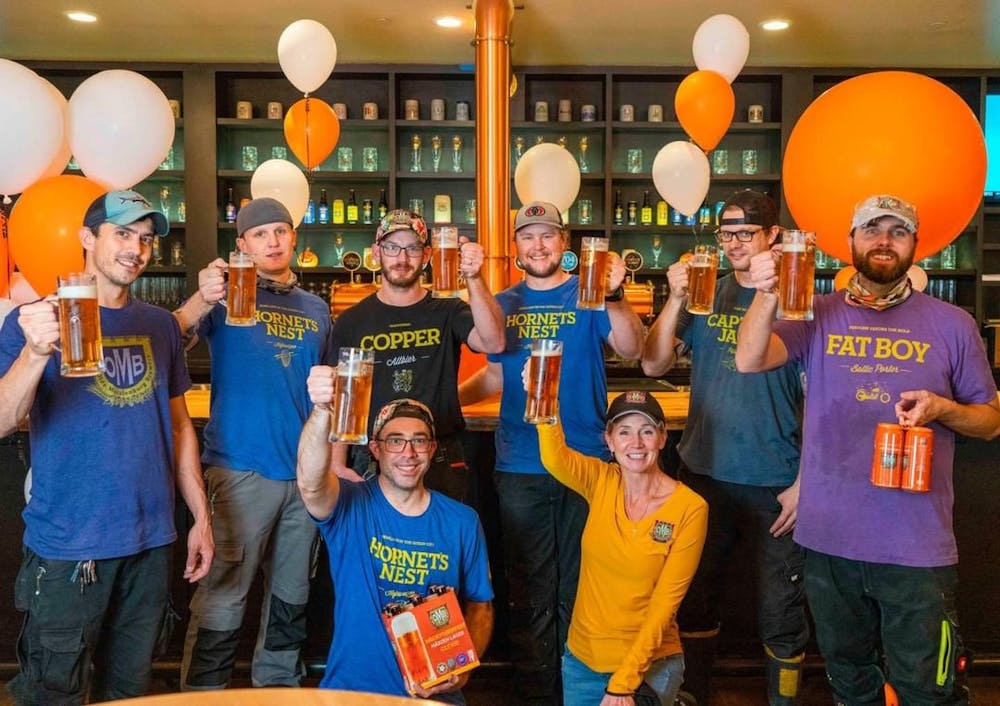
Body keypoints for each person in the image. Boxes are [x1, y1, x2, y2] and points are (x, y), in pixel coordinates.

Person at [736, 194, 1000, 705]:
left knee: (929, 689)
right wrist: (767, 292)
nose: (883, 241)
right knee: (850, 681)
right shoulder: (815, 312)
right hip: (829, 539)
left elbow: (989, 423)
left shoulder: (953, 324)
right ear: (850, 242)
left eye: (896, 232)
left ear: (914, 246)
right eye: (872, 230)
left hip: (916, 545)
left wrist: (942, 409)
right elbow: (749, 359)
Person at [0, 189, 214, 705]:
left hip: (149, 544)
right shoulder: (34, 320)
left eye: (145, 239)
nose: (136, 249)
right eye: (122, 233)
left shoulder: (160, 325)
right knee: (53, 694)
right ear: (85, 238)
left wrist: (200, 519)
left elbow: (181, 429)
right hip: (69, 549)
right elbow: (4, 420)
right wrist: (34, 353)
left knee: (131, 693)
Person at [459, 200, 645, 704]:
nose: (537, 245)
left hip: (587, 461)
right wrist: (445, 403)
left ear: (563, 242)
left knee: (584, 583)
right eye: (527, 237)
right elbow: (496, 375)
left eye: (547, 236)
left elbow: (632, 349)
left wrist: (616, 295)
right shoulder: (503, 302)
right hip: (521, 462)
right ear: (515, 247)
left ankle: (580, 689)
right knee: (530, 585)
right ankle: (539, 692)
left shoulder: (589, 295)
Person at [641, 190, 808, 706]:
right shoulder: (704, 290)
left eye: (745, 231)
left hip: (778, 483)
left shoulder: (800, 295)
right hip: (703, 475)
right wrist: (671, 297)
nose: (734, 242)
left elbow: (829, 397)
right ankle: (692, 697)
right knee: (692, 602)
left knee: (781, 612)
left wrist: (807, 482)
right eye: (725, 232)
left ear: (773, 236)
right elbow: (652, 365)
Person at [174, 197, 332, 690]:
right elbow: (170, 340)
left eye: (280, 231)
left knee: (292, 597)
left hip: (304, 479)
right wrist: (203, 297)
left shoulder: (318, 309)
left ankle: (279, 690)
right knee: (223, 597)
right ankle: (202, 697)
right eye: (260, 234)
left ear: (293, 239)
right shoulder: (223, 299)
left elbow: (329, 392)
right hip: (240, 469)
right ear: (241, 245)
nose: (273, 241)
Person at [296, 388, 494, 703]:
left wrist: (465, 667)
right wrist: (322, 409)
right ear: (375, 448)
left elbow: (481, 606)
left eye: (419, 440)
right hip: (352, 695)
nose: (408, 452)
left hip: (434, 697)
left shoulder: (463, 521)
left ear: (432, 448)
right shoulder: (349, 505)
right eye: (395, 440)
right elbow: (309, 483)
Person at [535, 389, 708, 706]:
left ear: (662, 438)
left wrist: (624, 683)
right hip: (581, 661)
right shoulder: (601, 480)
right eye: (624, 432)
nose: (636, 443)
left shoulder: (690, 508)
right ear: (609, 441)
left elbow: (664, 606)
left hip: (649, 666)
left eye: (646, 431)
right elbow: (554, 457)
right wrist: (544, 395)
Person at [327, 208, 505, 502]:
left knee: (445, 543)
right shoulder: (352, 321)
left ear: (427, 255)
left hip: (441, 453)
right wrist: (335, 462)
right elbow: (340, 399)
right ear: (376, 252)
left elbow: (495, 342)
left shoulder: (448, 309)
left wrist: (473, 277)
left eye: (412, 247)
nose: (402, 257)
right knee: (379, 545)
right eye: (392, 247)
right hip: (374, 455)